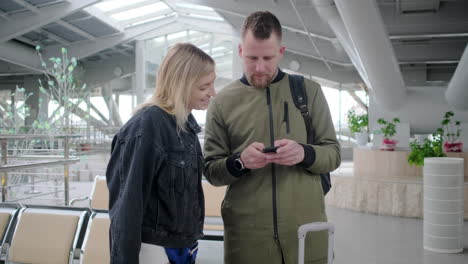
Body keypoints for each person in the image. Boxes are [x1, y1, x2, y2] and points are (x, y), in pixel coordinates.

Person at [203, 11, 341, 264]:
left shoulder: (309, 93)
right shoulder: (222, 103)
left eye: (268, 57)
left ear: (281, 52)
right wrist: (240, 162)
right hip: (247, 240)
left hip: (305, 234)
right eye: (252, 57)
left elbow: (333, 154)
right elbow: (211, 170)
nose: (260, 67)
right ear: (240, 50)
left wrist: (304, 153)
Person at [106, 43, 216, 264]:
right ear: (181, 84)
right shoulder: (147, 126)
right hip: (153, 251)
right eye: (204, 87)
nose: (212, 93)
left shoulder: (186, 128)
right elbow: (126, 208)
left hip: (183, 247)